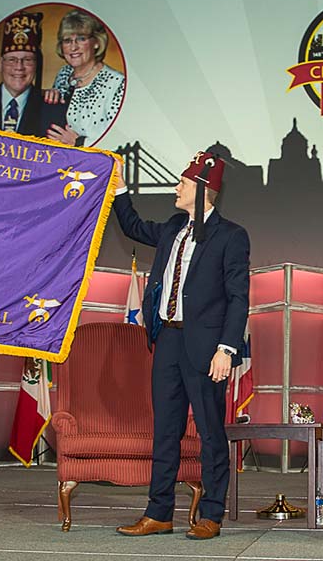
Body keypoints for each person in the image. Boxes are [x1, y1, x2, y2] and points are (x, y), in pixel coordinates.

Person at [113, 152, 249, 540]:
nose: (177, 187)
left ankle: (211, 514)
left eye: (184, 183)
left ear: (204, 189)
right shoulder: (174, 226)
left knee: (209, 432)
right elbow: (133, 225)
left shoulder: (232, 236)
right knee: (166, 431)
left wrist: (227, 349)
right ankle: (159, 512)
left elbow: (239, 297)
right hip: (168, 338)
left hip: (207, 347)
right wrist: (120, 187)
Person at [0, 10, 69, 143]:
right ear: (0, 64)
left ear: (36, 65)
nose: (19, 67)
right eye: (11, 59)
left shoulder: (54, 109)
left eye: (27, 60)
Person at [43, 9, 125, 146]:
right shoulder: (63, 74)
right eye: (67, 41)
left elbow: (120, 138)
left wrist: (78, 142)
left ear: (97, 42)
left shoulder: (116, 83)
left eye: (81, 39)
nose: (73, 47)